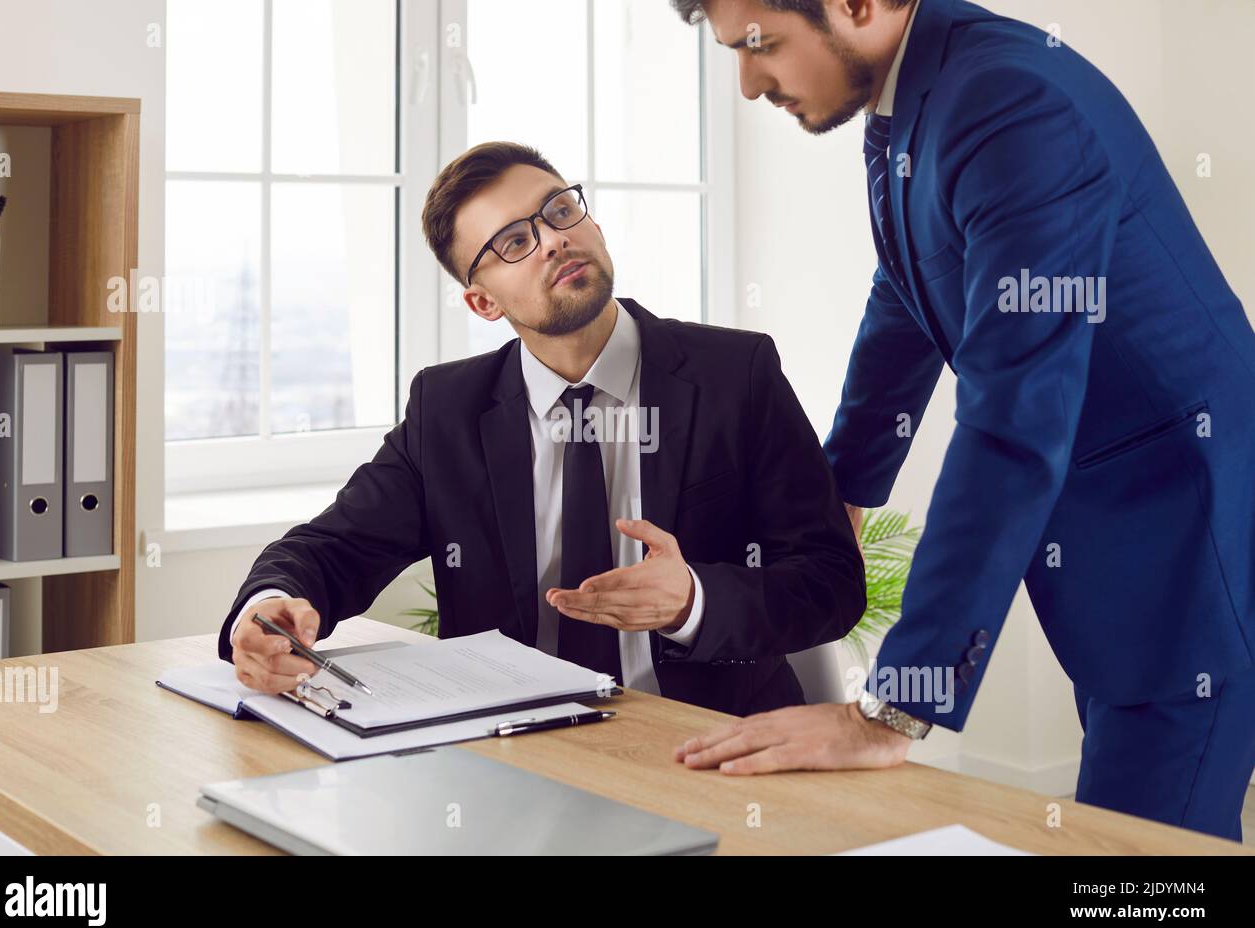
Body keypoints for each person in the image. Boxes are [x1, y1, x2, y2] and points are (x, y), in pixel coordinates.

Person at [670, 0, 1255, 841]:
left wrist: (893, 709)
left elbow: (1014, 418)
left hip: (1191, 545)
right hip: (1114, 542)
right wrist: (837, 495)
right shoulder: (911, 90)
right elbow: (905, 297)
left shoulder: (1014, 102)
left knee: (1141, 863)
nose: (748, 83)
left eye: (759, 46)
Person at [217, 140, 866, 717]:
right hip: (516, 752)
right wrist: (270, 613)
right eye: (513, 243)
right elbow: (336, 549)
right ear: (483, 301)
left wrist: (693, 599)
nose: (553, 240)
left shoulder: (736, 375)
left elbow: (830, 580)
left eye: (559, 211)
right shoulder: (448, 409)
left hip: (704, 740)